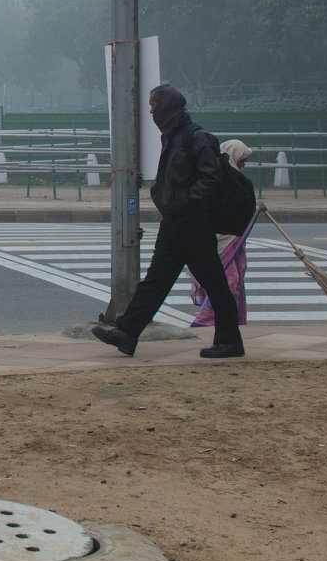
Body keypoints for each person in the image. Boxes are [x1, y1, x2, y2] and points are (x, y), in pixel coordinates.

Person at [92, 84, 244, 359]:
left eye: (153, 105)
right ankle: (127, 333)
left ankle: (230, 340)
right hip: (176, 222)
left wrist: (180, 201)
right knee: (156, 280)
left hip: (194, 223)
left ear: (166, 107)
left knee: (214, 282)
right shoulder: (172, 136)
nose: (150, 111)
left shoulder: (195, 137)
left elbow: (211, 179)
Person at [189, 140, 264, 328]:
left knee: (227, 284)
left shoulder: (237, 182)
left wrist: (255, 211)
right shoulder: (215, 180)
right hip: (218, 244)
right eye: (241, 161)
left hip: (229, 242)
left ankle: (227, 325)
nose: (243, 166)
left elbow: (240, 211)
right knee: (226, 285)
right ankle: (204, 323)